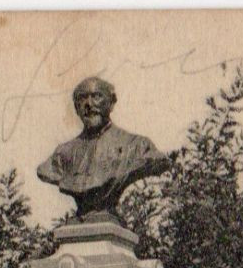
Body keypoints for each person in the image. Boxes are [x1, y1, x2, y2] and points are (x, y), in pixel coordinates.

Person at [37, 76, 172, 221]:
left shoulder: (137, 146)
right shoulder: (62, 154)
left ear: (112, 102)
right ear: (76, 108)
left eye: (97, 96)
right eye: (82, 98)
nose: (88, 104)